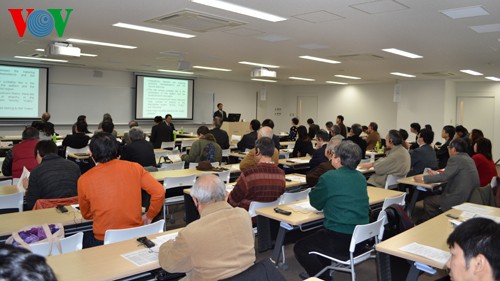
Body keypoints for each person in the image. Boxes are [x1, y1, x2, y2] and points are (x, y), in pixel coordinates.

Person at [294, 141, 369, 280]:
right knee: (320, 237)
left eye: (333, 154)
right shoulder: (360, 178)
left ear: (338, 160)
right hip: (361, 239)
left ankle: (323, 278)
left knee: (300, 248)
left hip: (339, 239)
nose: (331, 156)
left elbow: (316, 203)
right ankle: (321, 273)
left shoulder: (329, 177)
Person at [159, 175, 255, 281]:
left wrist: (166, 245)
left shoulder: (191, 233)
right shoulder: (244, 215)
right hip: (249, 276)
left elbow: (170, 265)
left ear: (195, 200)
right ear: (226, 195)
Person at [78, 132, 164, 248]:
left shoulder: (84, 179)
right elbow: (159, 192)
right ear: (116, 150)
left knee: (80, 237)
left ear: (91, 153)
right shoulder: (135, 168)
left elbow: (87, 215)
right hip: (136, 235)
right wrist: (149, 216)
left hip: (104, 239)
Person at [414, 138, 479, 220]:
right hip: (470, 196)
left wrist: (423, 178)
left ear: (453, 149)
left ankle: (435, 221)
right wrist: (437, 174)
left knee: (428, 201)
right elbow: (451, 174)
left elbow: (444, 177)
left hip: (457, 197)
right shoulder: (469, 159)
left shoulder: (455, 159)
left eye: (449, 147)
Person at [229, 137, 285, 211]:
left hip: (248, 217)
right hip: (270, 216)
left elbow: (232, 201)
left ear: (257, 151)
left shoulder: (249, 174)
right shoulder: (281, 174)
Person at [23, 140, 80, 210]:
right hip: (74, 211)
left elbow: (31, 204)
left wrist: (27, 189)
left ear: (38, 152)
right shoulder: (74, 166)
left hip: (48, 214)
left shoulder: (36, 171)